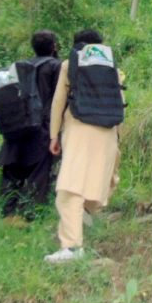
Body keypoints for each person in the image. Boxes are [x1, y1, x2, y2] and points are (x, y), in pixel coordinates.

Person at [45, 30, 124, 264]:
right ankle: (85, 214)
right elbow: (120, 104)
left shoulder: (71, 64)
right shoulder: (112, 69)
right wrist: (117, 138)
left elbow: (59, 100)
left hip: (79, 127)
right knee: (95, 178)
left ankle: (71, 247)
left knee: (68, 189)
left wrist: (53, 135)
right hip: (108, 130)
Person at [0, 30, 62, 222]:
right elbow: (58, 100)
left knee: (12, 170)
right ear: (54, 47)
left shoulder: (18, 66)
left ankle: (7, 214)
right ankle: (27, 217)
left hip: (15, 127)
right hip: (41, 128)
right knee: (38, 172)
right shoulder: (56, 66)